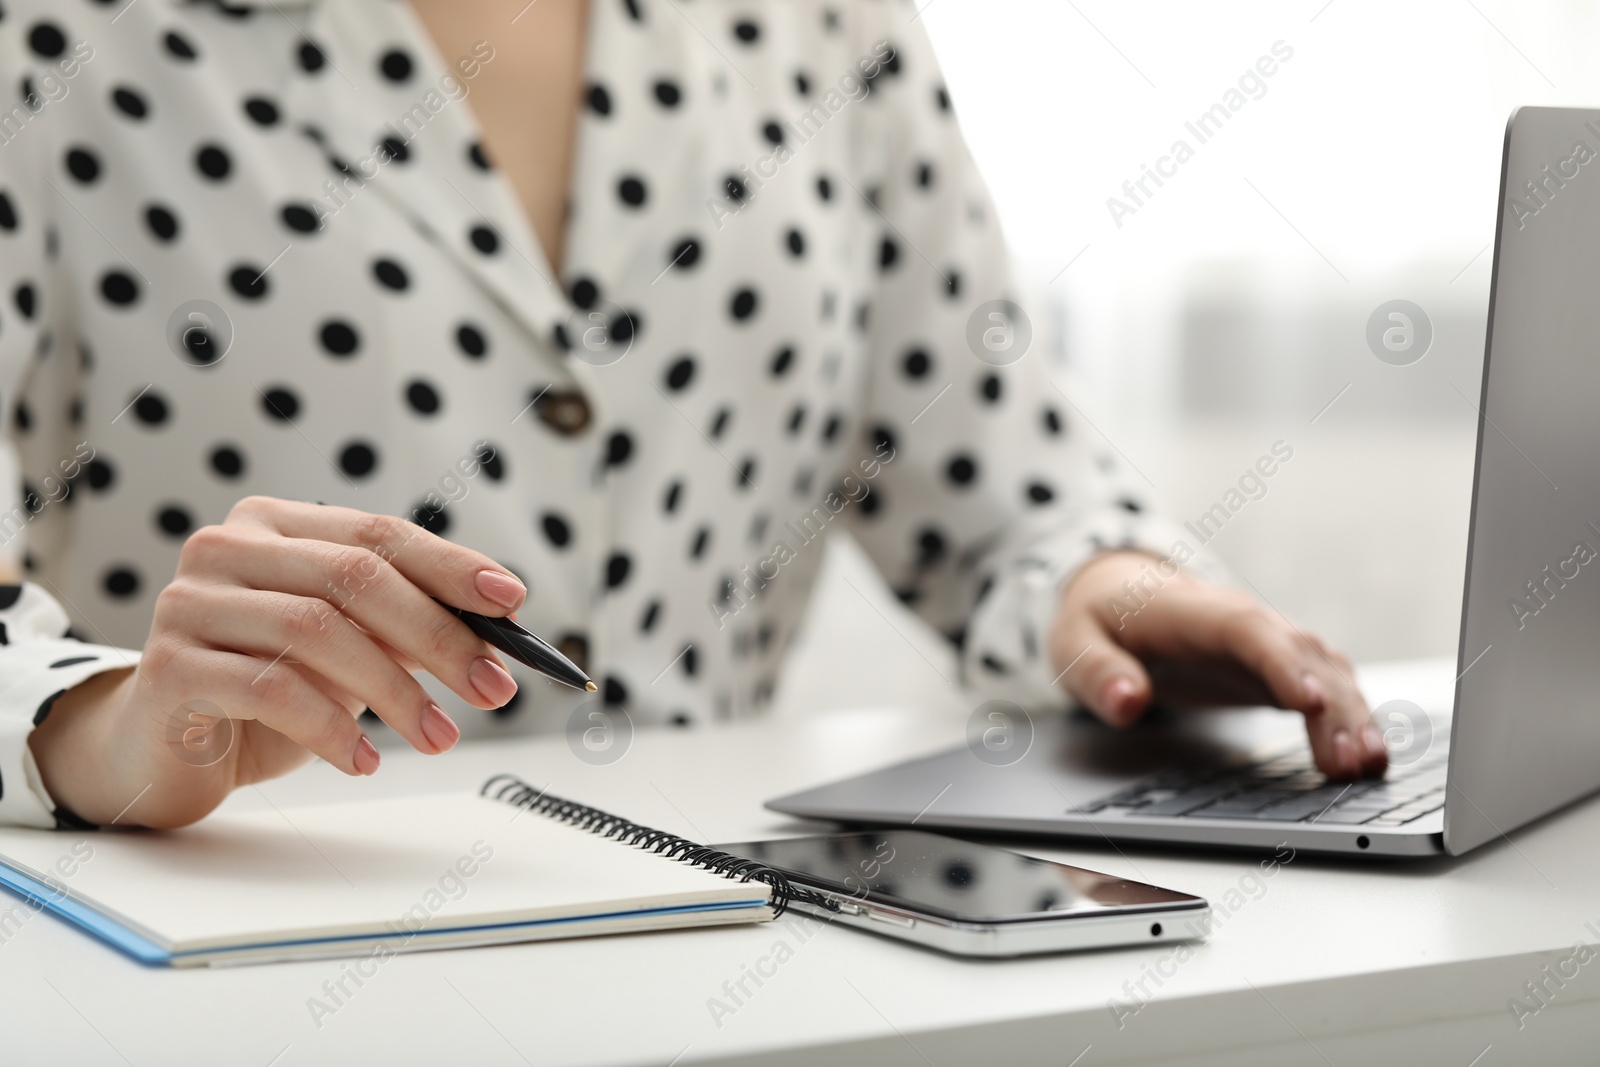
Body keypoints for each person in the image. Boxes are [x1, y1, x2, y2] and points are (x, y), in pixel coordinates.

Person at [0, 0, 1385, 831]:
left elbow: (999, 472)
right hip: (226, 981)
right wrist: (111, 732)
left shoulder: (818, 23)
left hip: (718, 960)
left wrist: (1118, 588)